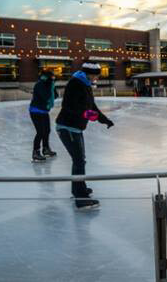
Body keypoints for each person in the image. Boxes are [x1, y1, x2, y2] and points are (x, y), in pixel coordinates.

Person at [55, 61, 114, 210]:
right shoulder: (75, 84)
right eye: (96, 76)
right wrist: (91, 116)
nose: (97, 79)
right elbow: (71, 107)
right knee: (79, 161)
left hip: (75, 128)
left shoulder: (85, 84)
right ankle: (80, 197)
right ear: (90, 74)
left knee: (80, 160)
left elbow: (91, 106)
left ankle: (78, 188)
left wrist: (103, 119)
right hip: (68, 127)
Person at [29, 70, 58, 163]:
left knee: (47, 130)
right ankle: (35, 153)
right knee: (40, 132)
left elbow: (55, 95)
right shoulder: (40, 84)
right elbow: (45, 96)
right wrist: (50, 86)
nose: (53, 79)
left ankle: (45, 149)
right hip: (36, 111)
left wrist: (52, 86)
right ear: (47, 77)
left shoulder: (48, 84)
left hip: (44, 111)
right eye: (52, 77)